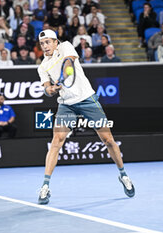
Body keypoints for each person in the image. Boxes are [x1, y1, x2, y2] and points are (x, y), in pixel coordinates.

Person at [36, 29, 134, 204]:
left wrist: (64, 76)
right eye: (42, 43)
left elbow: (69, 62)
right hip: (66, 105)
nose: (45, 46)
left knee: (108, 140)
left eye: (48, 42)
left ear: (55, 42)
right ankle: (45, 186)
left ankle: (123, 174)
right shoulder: (42, 66)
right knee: (57, 140)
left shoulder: (66, 47)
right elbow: (47, 88)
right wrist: (51, 89)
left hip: (87, 99)